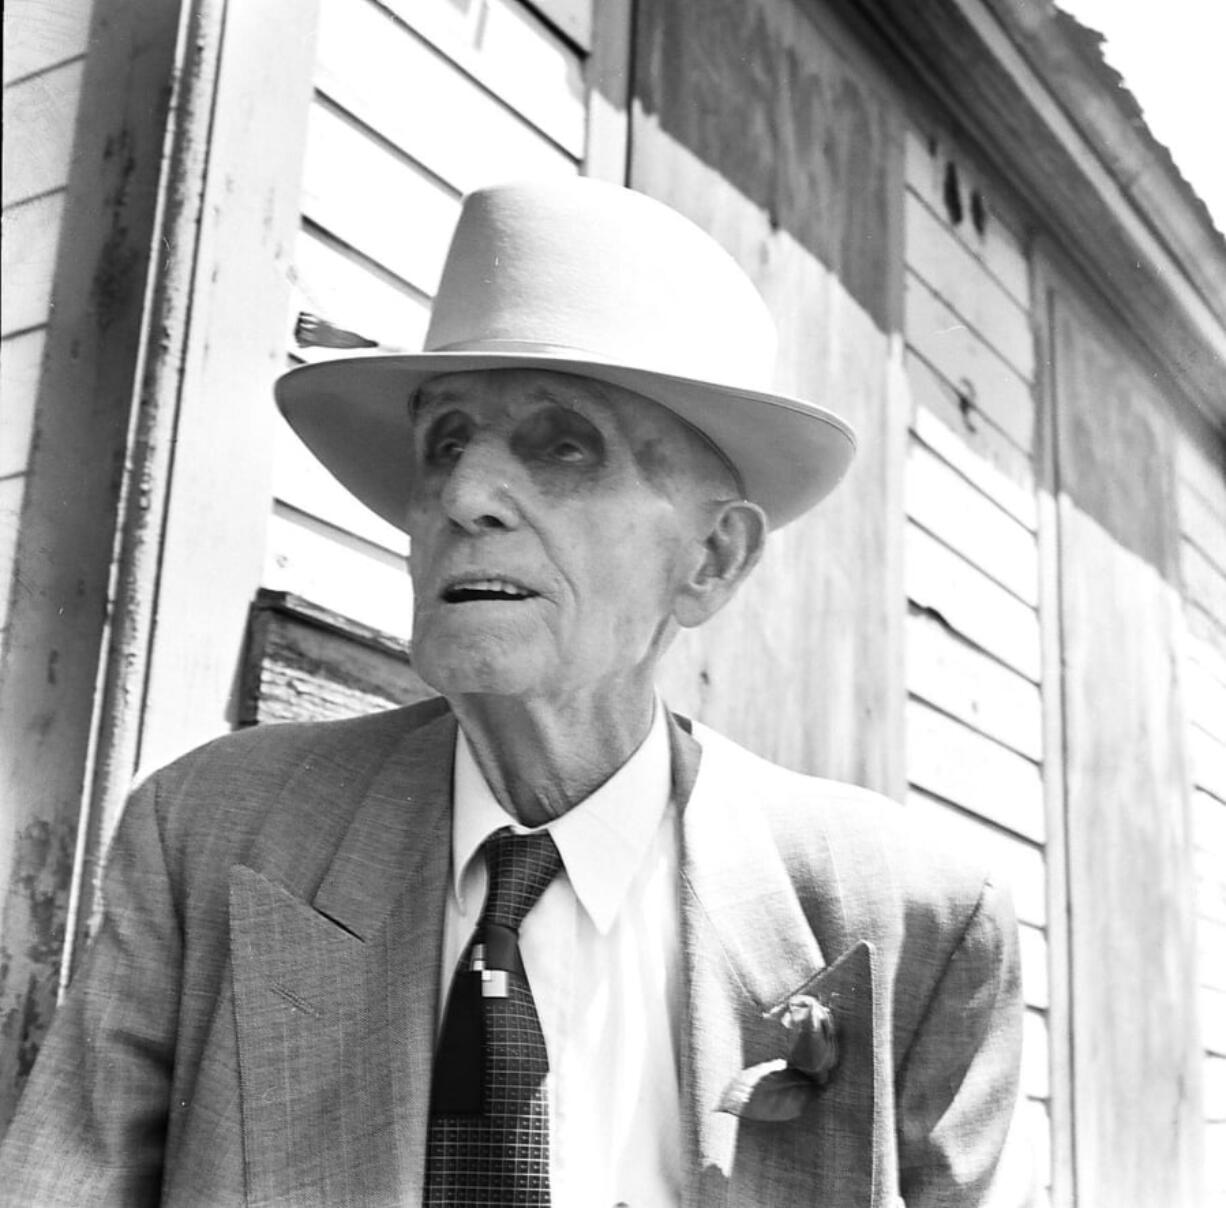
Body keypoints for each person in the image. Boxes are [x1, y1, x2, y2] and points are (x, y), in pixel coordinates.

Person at [0, 179, 1024, 1206]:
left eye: (562, 444)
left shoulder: (912, 917)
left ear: (710, 558)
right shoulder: (210, 834)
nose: (464, 495)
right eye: (445, 442)